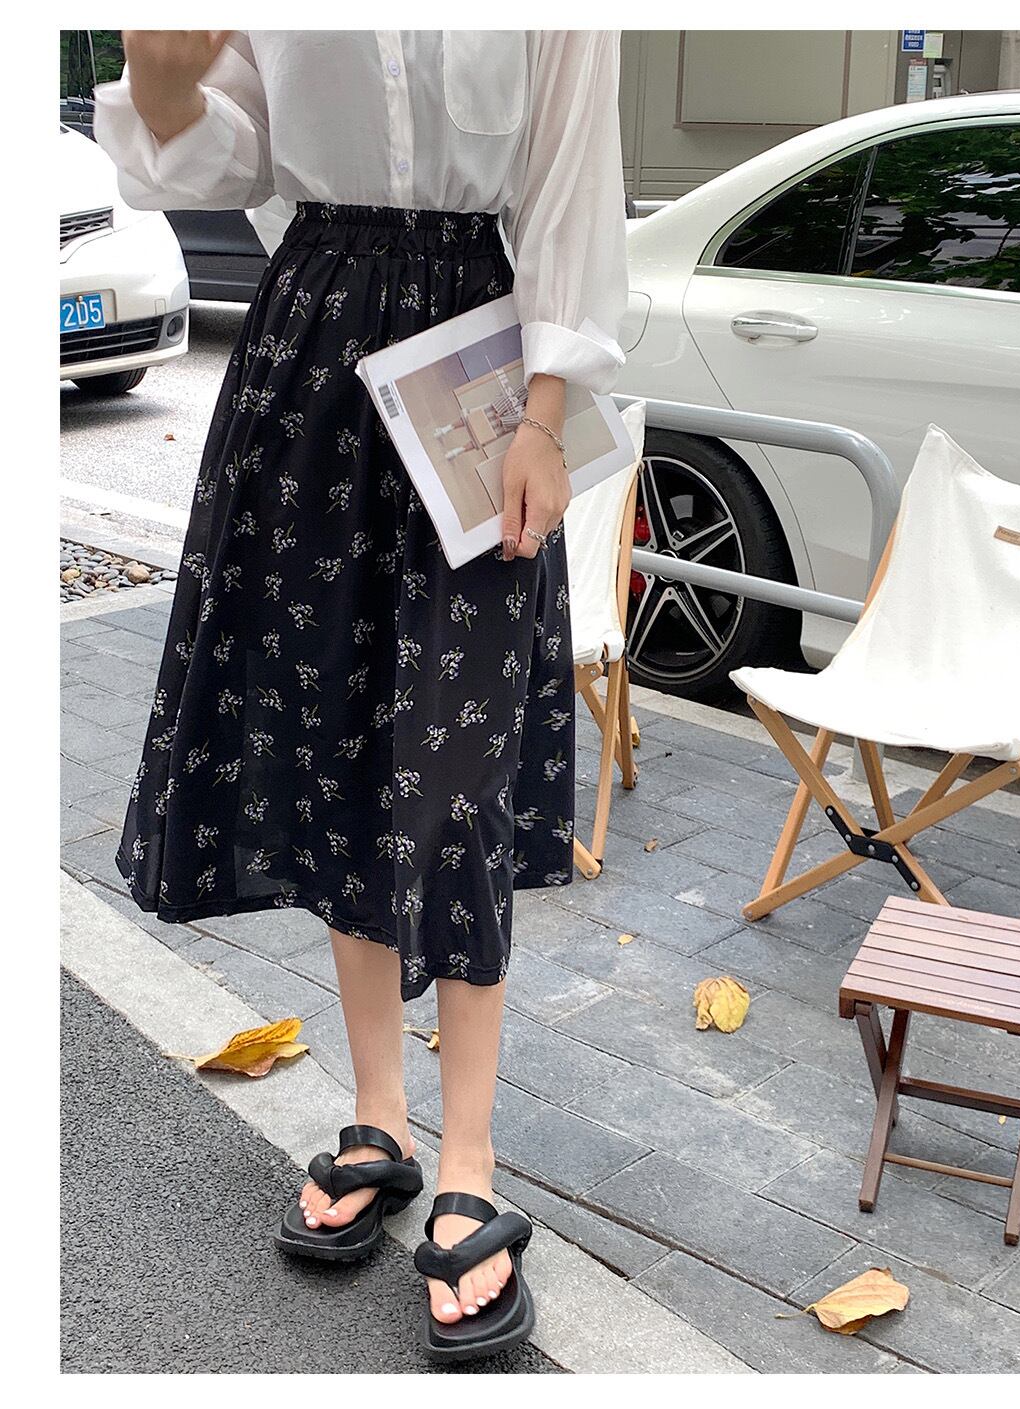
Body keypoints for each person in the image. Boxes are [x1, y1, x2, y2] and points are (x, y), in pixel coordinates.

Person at [92, 28, 629, 1362]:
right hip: (312, 358)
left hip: (480, 367)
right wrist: (159, 78)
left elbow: (570, 183)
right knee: (339, 747)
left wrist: (545, 418)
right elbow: (226, 155)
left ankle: (470, 1157)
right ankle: (380, 1117)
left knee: (457, 775)